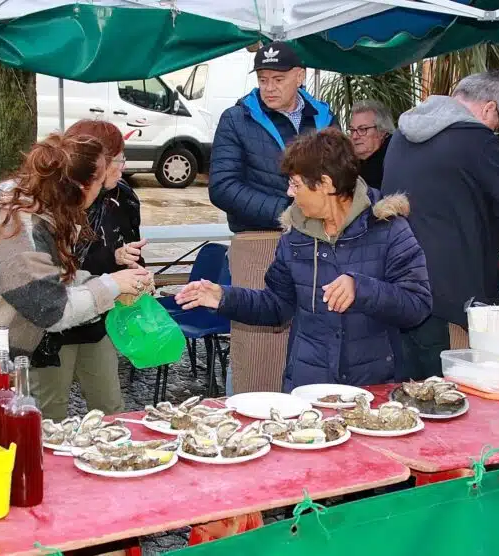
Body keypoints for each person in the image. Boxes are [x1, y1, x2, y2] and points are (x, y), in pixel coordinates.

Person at [177, 129, 431, 389]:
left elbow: (417, 305)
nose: (289, 193)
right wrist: (224, 297)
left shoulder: (388, 228)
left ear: (325, 184)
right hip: (307, 388)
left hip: (372, 388)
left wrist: (362, 289)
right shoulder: (294, 236)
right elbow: (276, 306)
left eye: (296, 184)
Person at [0, 133, 153, 391]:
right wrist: (111, 285)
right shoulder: (18, 230)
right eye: (100, 183)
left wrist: (112, 285)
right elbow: (51, 310)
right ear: (80, 188)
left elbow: (50, 279)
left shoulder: (35, 211)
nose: (102, 190)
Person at [382, 71, 499, 380]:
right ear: (490, 108)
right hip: (453, 298)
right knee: (446, 396)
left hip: (398, 286)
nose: (496, 128)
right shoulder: (476, 140)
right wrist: (487, 235)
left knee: (405, 394)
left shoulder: (401, 135)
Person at [207, 41, 336, 394]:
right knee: (259, 348)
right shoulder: (237, 118)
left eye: (278, 79)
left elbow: (341, 178)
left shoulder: (324, 118)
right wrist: (286, 212)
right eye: (263, 79)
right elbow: (222, 187)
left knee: (315, 336)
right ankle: (252, 420)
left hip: (317, 243)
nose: (269, 87)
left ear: (300, 76)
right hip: (258, 242)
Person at [30, 120, 144, 421]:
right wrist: (110, 259)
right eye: (116, 160)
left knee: (111, 409)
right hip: (53, 328)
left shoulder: (124, 198)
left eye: (122, 159)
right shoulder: (55, 202)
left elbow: (131, 254)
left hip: (97, 323)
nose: (121, 168)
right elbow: (50, 272)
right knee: (49, 413)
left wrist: (129, 264)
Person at [349, 100, 394, 189]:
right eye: (352, 130)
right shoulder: (348, 161)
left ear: (381, 131)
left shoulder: (393, 161)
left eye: (363, 129)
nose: (354, 136)